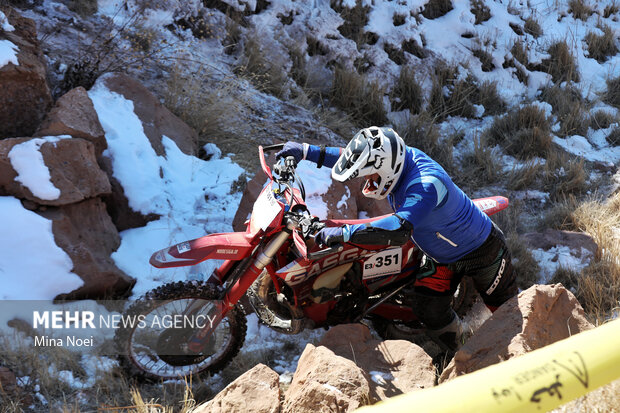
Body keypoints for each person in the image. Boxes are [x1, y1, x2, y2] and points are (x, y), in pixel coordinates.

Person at [276, 126, 518, 352]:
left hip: (481, 251)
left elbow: (397, 228)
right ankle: (466, 354)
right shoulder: (398, 159)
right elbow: (351, 159)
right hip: (438, 256)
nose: (366, 183)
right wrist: (306, 151)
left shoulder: (425, 184)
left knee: (508, 314)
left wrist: (342, 233)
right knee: (429, 311)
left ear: (386, 171)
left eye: (371, 177)